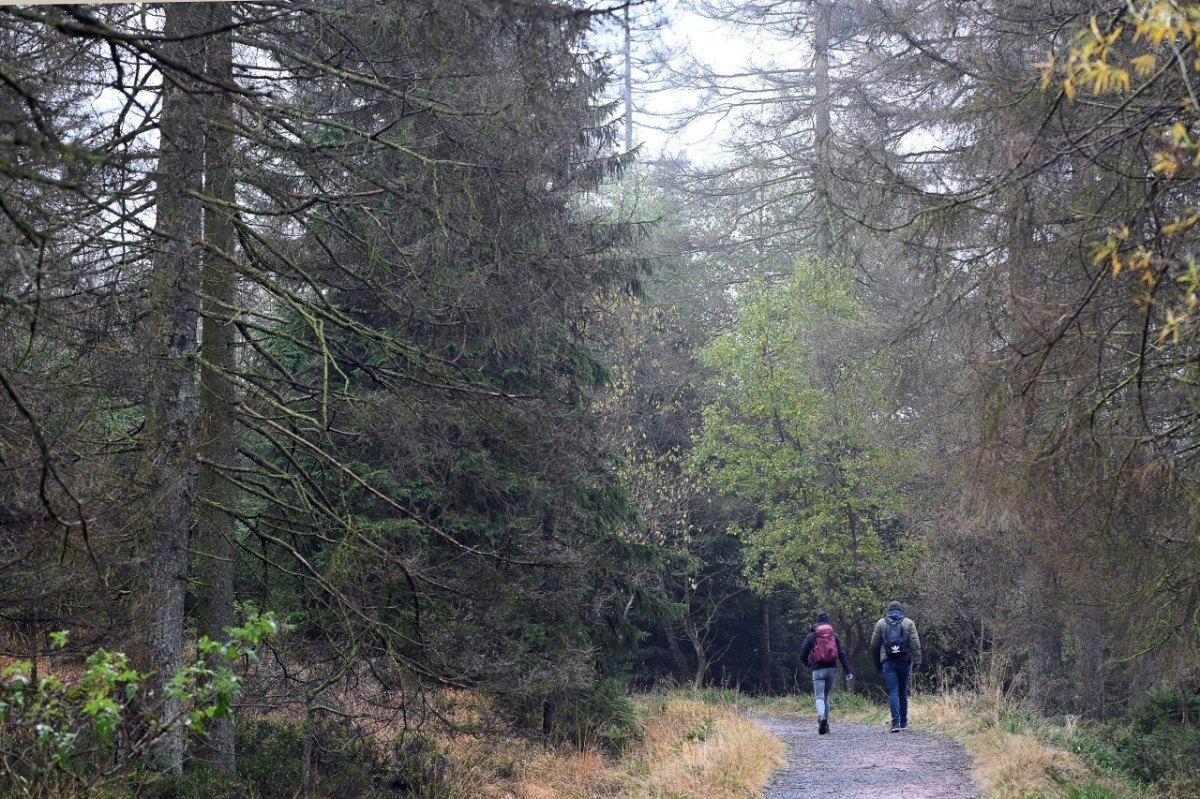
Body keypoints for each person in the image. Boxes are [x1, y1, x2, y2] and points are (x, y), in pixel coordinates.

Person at [869, 600, 922, 732]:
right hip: (904, 661)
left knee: (893, 691)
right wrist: (917, 662)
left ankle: (895, 724)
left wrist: (877, 663)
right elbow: (915, 645)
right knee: (902, 691)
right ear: (900, 610)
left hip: (888, 662)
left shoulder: (881, 623)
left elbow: (874, 646)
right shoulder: (909, 623)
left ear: (888, 610)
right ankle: (904, 722)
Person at [798, 612, 853, 735]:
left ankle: (821, 717)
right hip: (831, 670)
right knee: (826, 696)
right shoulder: (834, 635)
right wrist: (847, 670)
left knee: (819, 696)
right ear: (828, 622)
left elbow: (802, 654)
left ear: (817, 622)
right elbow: (842, 654)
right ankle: (826, 724)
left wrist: (808, 664)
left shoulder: (812, 636)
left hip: (817, 669)